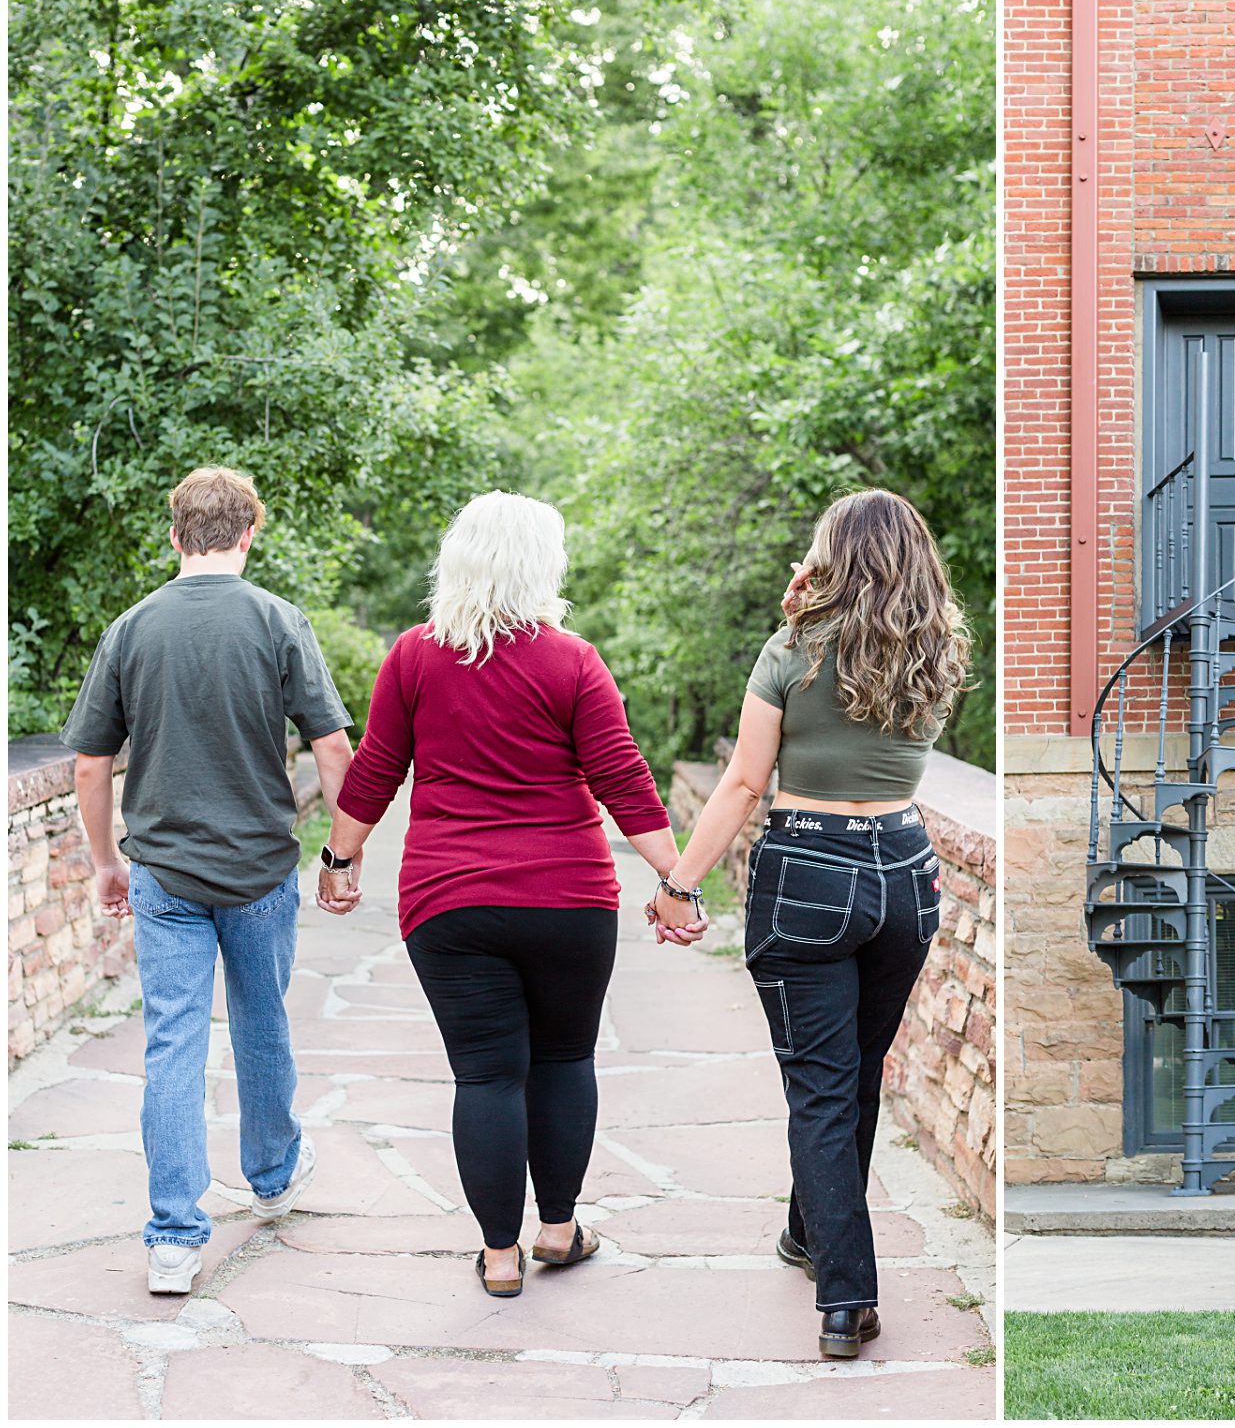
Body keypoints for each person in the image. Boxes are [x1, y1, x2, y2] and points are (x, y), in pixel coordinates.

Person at [316, 491, 691, 1298]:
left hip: (450, 902)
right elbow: (622, 776)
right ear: (541, 566)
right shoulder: (573, 659)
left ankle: (498, 1256)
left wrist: (340, 858)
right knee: (563, 1058)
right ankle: (558, 1229)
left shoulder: (414, 656)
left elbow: (377, 768)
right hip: (569, 898)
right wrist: (675, 880)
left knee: (485, 1076)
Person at [654, 488, 970, 1358]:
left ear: (829, 556)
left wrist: (680, 883)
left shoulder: (792, 647)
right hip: (904, 872)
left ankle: (847, 1297)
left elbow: (744, 781)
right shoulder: (937, 650)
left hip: (808, 869)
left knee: (822, 1085)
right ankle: (810, 1231)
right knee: (855, 1071)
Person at [62, 467, 351, 1295]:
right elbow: (333, 749)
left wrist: (106, 863)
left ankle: (174, 1239)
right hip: (261, 869)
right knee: (263, 1025)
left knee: (172, 1043)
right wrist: (341, 852)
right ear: (249, 533)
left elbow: (89, 763)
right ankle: (270, 1177)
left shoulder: (131, 628)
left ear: (175, 534)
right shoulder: (277, 620)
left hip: (164, 873)